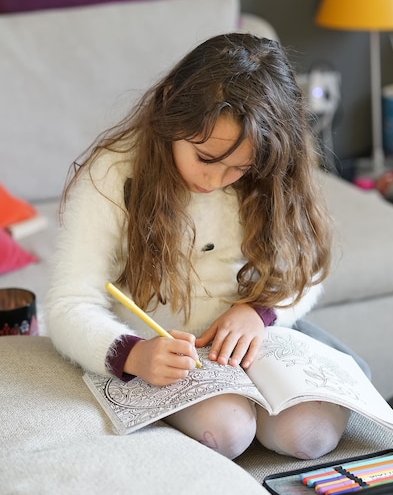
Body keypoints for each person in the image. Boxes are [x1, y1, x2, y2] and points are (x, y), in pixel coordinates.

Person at [46, 32, 351, 461]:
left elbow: (307, 273)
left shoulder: (268, 172)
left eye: (238, 169)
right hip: (164, 352)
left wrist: (260, 313)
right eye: (206, 158)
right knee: (225, 430)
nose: (214, 181)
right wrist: (134, 355)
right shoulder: (114, 173)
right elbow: (67, 304)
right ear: (171, 104)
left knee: (310, 433)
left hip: (256, 343)